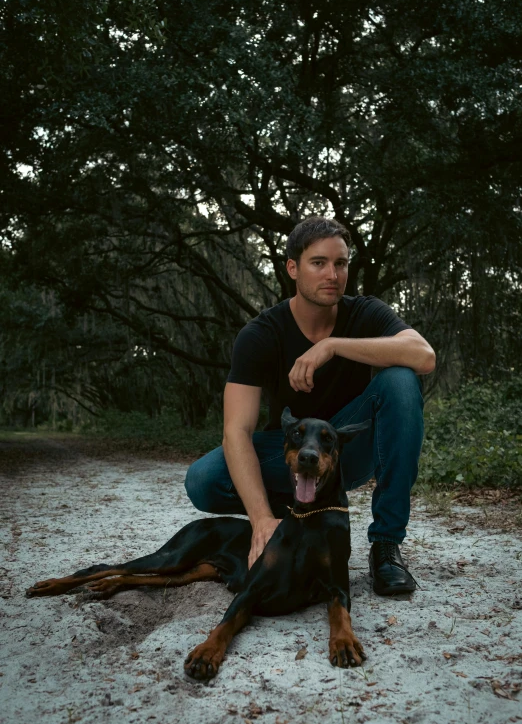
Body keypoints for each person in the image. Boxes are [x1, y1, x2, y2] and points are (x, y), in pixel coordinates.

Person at [185, 216, 436, 595]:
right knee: (203, 479)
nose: (332, 274)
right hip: (291, 455)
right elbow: (236, 430)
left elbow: (424, 355)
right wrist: (261, 522)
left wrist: (332, 346)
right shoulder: (260, 334)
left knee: (400, 379)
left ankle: (385, 545)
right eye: (318, 263)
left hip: (345, 451)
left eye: (341, 263)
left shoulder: (363, 312)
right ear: (293, 268)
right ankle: (293, 517)